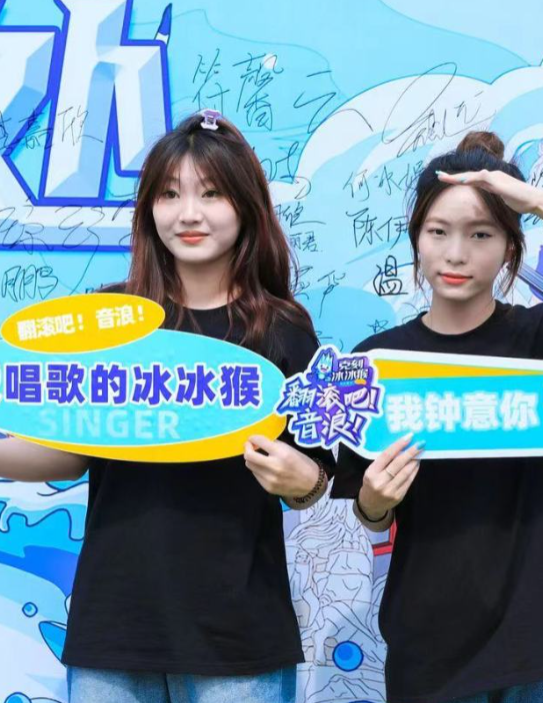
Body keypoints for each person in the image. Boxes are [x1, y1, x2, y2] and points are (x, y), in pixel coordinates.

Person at [0, 110, 333, 703]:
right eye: (170, 194)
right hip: (113, 629)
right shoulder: (109, 320)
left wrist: (301, 480)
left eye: (212, 194)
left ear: (247, 205)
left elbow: (315, 477)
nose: (189, 214)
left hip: (236, 638)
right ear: (149, 209)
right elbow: (71, 453)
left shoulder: (281, 330)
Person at [331, 131, 543, 703]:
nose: (456, 254)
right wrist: (375, 502)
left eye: (481, 234)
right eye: (438, 232)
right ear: (416, 238)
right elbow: (370, 512)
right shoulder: (376, 362)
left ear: (509, 246)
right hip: (432, 651)